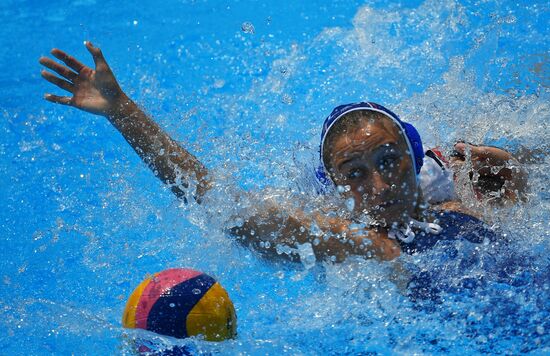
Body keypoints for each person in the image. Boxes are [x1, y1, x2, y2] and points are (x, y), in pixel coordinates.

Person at [39, 42, 527, 264]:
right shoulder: (362, 245)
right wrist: (124, 112)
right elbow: (224, 208)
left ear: (415, 156)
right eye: (353, 174)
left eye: (387, 160)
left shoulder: (457, 201)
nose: (378, 186)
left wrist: (509, 173)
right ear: (333, 187)